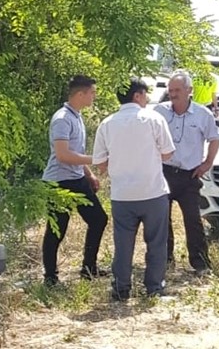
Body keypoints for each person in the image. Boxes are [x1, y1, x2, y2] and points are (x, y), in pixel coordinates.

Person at [92, 80, 175, 300]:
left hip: (122, 195)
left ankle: (121, 288)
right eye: (145, 94)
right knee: (156, 242)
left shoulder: (107, 124)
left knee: (123, 244)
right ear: (137, 96)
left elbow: (99, 163)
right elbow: (168, 153)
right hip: (153, 191)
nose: (147, 99)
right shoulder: (154, 119)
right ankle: (154, 288)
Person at [42, 75, 108, 285]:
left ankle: (89, 269)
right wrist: (97, 159)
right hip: (59, 183)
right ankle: (50, 278)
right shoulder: (62, 118)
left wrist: (88, 174)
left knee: (99, 219)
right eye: (92, 92)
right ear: (81, 94)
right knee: (57, 230)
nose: (94, 96)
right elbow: (63, 155)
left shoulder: (76, 116)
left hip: (77, 178)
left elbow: (75, 153)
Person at [154, 69, 219, 274]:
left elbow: (214, 139)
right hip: (163, 173)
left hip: (189, 175)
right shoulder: (159, 111)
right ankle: (165, 261)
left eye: (177, 90)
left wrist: (207, 163)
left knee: (193, 220)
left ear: (189, 90)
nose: (173, 94)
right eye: (170, 90)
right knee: (162, 219)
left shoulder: (202, 114)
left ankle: (200, 264)